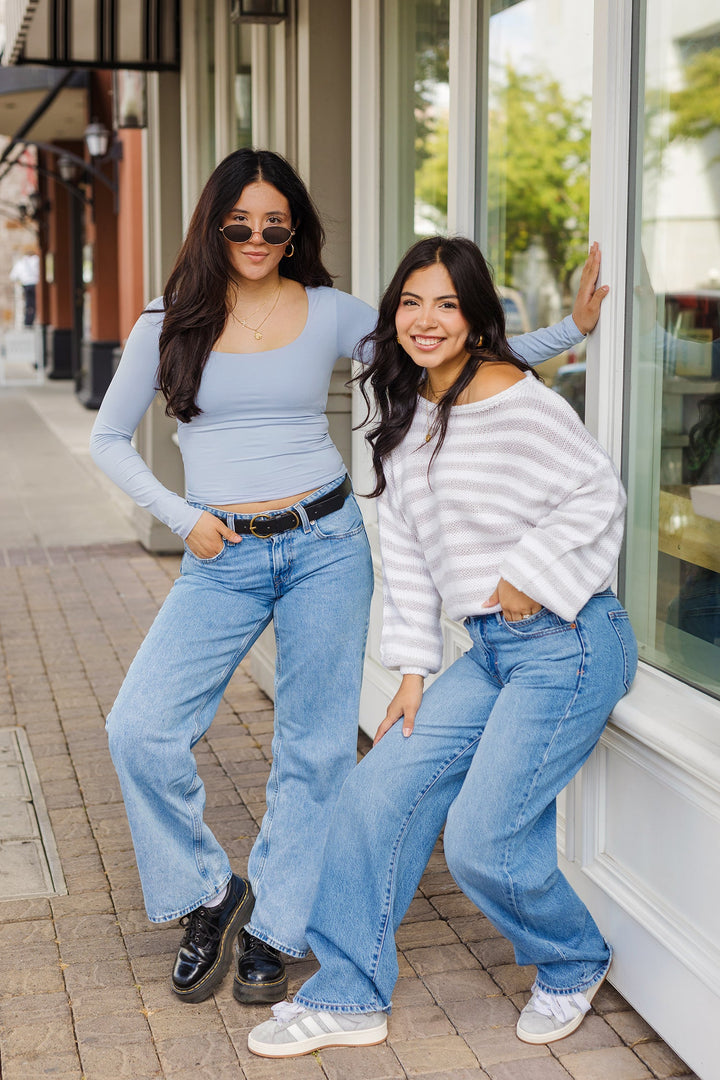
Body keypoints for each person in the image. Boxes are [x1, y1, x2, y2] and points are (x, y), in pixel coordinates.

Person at [90, 149, 604, 1008]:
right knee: (138, 729)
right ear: (214, 227)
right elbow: (108, 439)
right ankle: (209, 893)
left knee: (315, 747)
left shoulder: (325, 311)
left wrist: (570, 332)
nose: (257, 238)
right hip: (221, 555)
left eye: (275, 224)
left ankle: (278, 924)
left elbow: (441, 349)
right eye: (240, 224)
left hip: (325, 544)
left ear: (295, 231)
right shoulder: (167, 320)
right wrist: (183, 518)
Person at [247, 235, 637, 1058]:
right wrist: (414, 669)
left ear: (477, 319)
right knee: (372, 795)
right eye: (412, 303)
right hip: (490, 654)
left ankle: (573, 957)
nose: (426, 320)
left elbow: (599, 493)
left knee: (483, 840)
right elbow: (412, 560)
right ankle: (350, 996)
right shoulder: (407, 413)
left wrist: (530, 572)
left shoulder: (516, 399)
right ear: (393, 313)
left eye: (448, 305)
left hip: (568, 645)